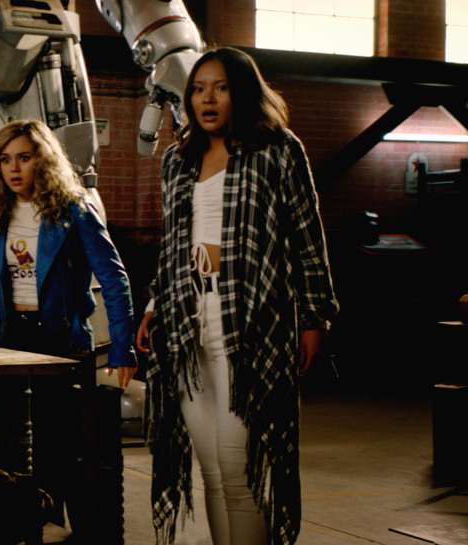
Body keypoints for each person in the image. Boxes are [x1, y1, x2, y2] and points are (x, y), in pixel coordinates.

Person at [135, 47, 338, 545]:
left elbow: (307, 237)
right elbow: (173, 243)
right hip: (187, 322)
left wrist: (315, 317)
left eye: (221, 88)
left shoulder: (278, 150)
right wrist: (155, 304)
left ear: (242, 92)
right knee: (210, 470)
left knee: (238, 467)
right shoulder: (178, 160)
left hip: (251, 324)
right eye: (199, 89)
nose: (207, 99)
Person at [0, 119, 137, 537]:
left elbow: (114, 278)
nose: (14, 168)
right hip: (9, 340)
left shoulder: (74, 210)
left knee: (57, 443)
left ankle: (57, 525)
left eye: (24, 158)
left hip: (59, 338)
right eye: (5, 160)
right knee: (5, 442)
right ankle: (19, 525)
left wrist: (123, 347)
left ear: (42, 161)